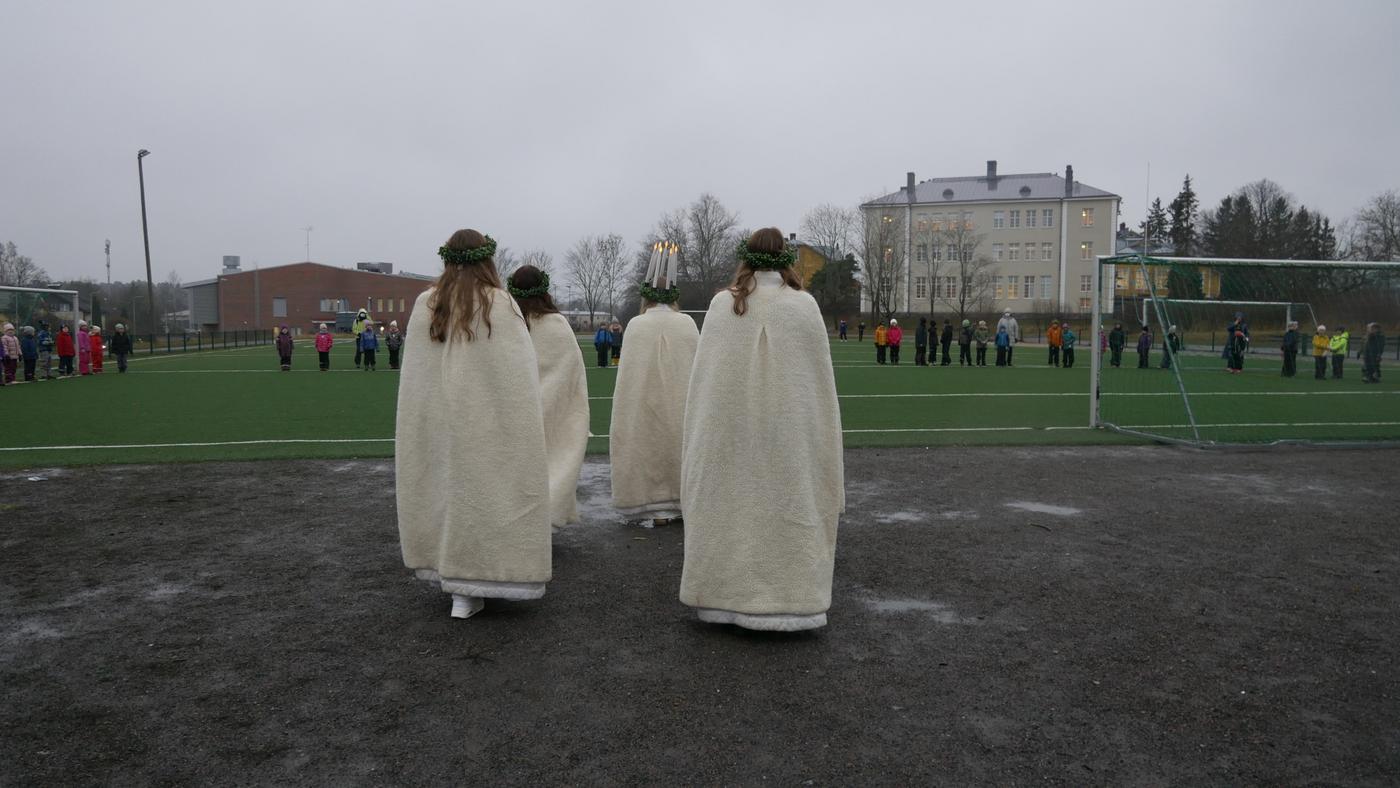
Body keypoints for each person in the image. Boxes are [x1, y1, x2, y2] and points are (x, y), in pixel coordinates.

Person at [681, 228, 842, 631]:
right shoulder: (804, 305)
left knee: (729, 501)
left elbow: (705, 387)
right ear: (785, 258)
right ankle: (791, 598)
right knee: (786, 499)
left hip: (728, 433)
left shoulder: (723, 305)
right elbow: (819, 390)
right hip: (789, 434)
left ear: (745, 257)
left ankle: (722, 597)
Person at [396, 228, 551, 620]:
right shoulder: (501, 305)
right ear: (487, 261)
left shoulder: (426, 305)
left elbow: (415, 381)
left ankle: (458, 585)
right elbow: (520, 379)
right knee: (488, 495)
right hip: (487, 425)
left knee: (448, 493)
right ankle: (477, 580)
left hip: (441, 425)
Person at [610, 245, 699, 527]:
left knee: (648, 441)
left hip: (646, 403)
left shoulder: (637, 324)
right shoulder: (685, 323)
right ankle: (677, 500)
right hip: (678, 403)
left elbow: (629, 380)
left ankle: (650, 501)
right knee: (675, 440)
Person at [508, 265, 589, 528]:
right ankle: (547, 514)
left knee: (515, 468)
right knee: (551, 461)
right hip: (551, 410)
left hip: (515, 410)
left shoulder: (507, 323)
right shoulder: (557, 324)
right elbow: (573, 371)